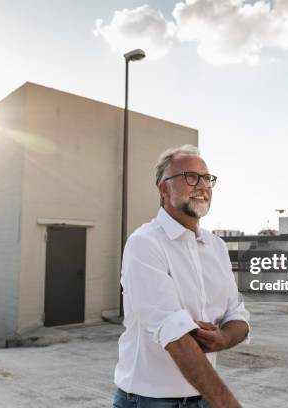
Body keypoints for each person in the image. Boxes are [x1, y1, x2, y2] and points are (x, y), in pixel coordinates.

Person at [113, 144, 251, 408]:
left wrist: (223, 338)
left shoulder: (217, 247)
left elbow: (237, 314)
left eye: (207, 178)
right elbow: (175, 335)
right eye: (190, 176)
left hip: (203, 398)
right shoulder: (145, 244)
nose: (202, 185)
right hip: (148, 402)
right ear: (164, 188)